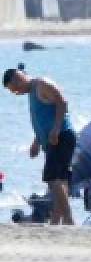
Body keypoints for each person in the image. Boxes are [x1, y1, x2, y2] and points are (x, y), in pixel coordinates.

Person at [4, 69, 76, 224]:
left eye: (15, 89)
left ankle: (69, 219)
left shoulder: (41, 84)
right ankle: (56, 221)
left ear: (18, 78)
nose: (16, 93)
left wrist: (56, 129)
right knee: (60, 179)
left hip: (62, 136)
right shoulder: (31, 92)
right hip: (52, 140)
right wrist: (36, 142)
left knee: (52, 178)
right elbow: (43, 119)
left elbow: (62, 102)